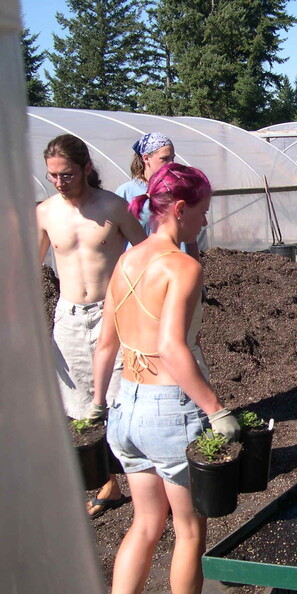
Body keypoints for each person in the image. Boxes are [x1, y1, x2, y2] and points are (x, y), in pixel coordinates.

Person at [90, 163, 240, 594]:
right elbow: (172, 348)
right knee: (190, 530)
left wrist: (97, 405)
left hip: (126, 410)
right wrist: (217, 410)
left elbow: (105, 345)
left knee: (146, 524)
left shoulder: (125, 261)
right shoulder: (182, 266)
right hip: (167, 411)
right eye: (202, 210)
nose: (206, 220)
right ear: (178, 208)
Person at [36, 134, 147, 517]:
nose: (59, 182)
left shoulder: (113, 207)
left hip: (111, 313)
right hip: (68, 318)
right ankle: (108, 485)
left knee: (120, 400)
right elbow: (31, 266)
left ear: (85, 168)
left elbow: (145, 254)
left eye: (66, 174)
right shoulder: (46, 212)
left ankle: (143, 486)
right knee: (82, 406)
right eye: (52, 175)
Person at [116, 132, 200, 260]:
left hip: (176, 266)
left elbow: (190, 239)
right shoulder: (126, 193)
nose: (171, 164)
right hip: (141, 269)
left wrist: (195, 266)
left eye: (172, 158)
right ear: (146, 158)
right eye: (164, 159)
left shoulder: (180, 190)